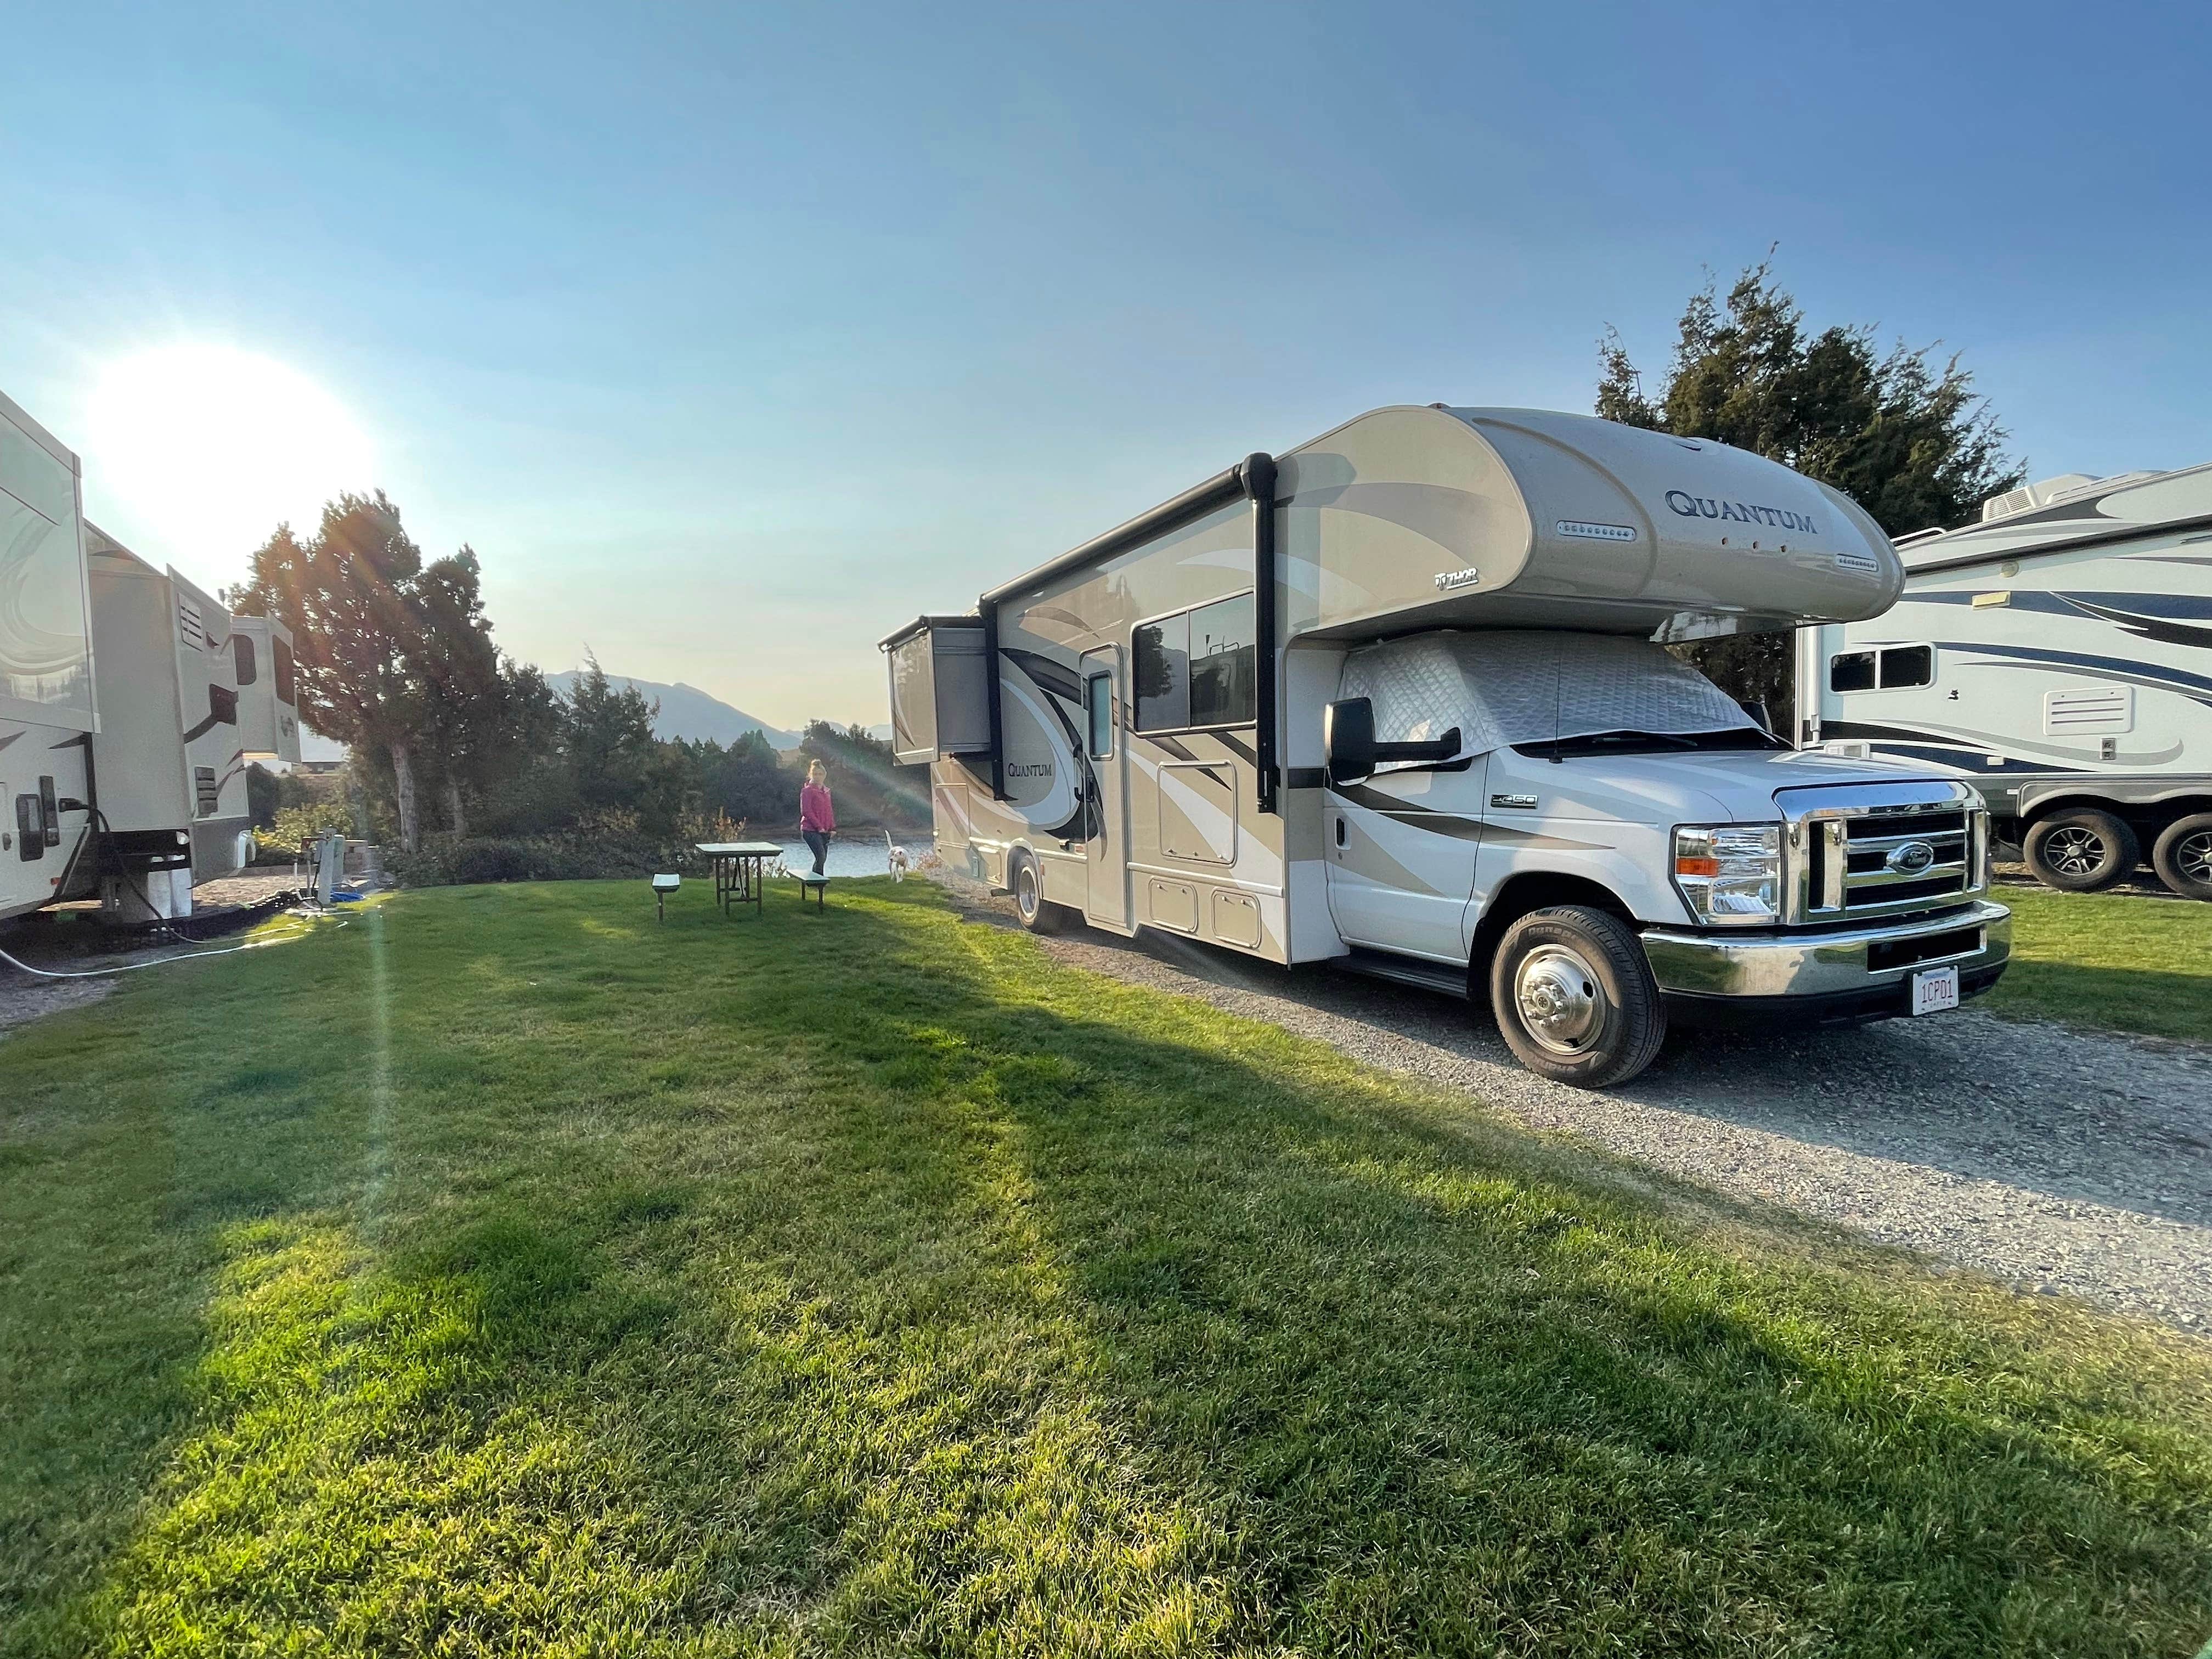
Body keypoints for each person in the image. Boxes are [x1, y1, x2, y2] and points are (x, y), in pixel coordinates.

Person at [799, 760, 835, 875]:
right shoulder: (807, 791)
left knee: (822, 859)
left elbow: (829, 811)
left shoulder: (827, 791)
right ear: (811, 775)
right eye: (815, 774)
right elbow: (806, 811)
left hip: (825, 831)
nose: (818, 777)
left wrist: (832, 828)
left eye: (820, 774)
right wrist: (819, 827)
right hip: (810, 830)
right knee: (821, 856)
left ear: (824, 775)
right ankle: (819, 882)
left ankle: (814, 881)